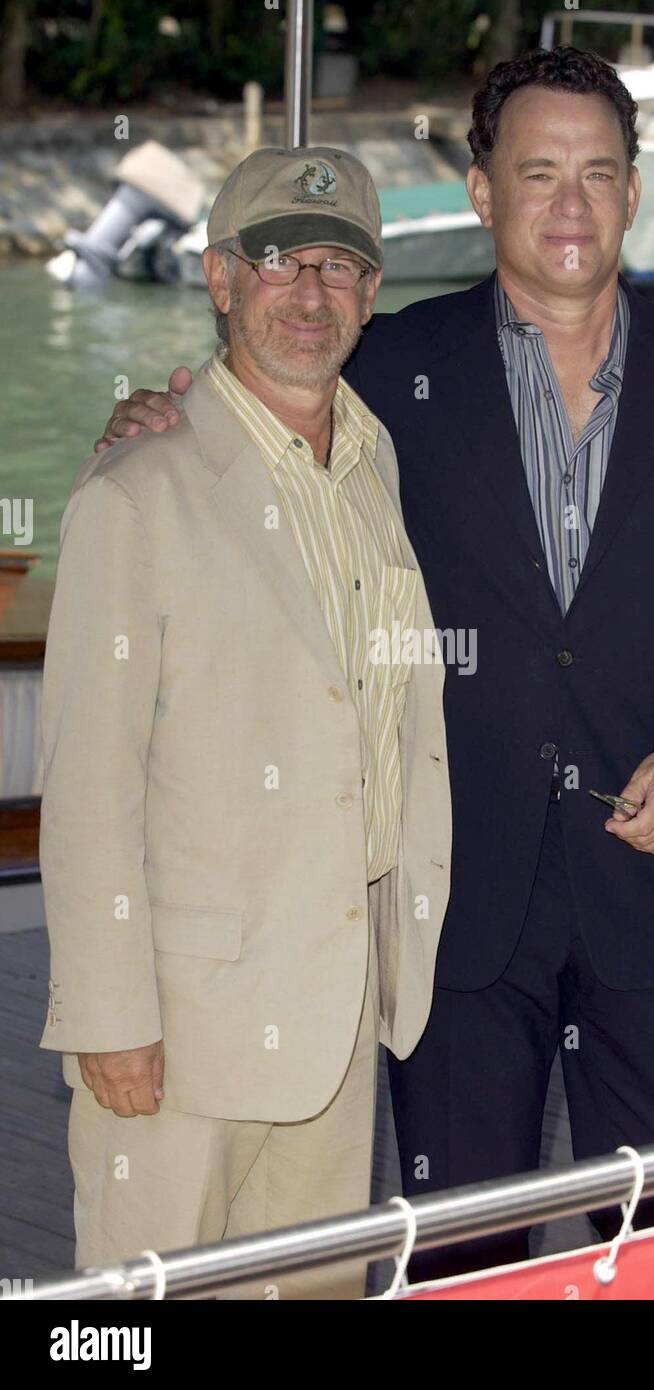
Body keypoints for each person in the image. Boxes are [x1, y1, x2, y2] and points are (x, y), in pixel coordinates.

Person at [94, 47, 654, 1282]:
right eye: (538, 172)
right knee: (462, 1254)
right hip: (448, 904)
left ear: (636, 192)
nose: (571, 205)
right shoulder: (383, 368)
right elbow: (245, 418)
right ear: (481, 190)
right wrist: (148, 418)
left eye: (599, 173)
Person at [39, 145, 451, 1298]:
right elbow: (85, 781)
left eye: (338, 266)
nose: (309, 292)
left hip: (335, 1014)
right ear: (220, 278)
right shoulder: (138, 489)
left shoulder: (374, 465)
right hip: (178, 1032)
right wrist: (109, 1016)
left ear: (371, 297)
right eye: (277, 260)